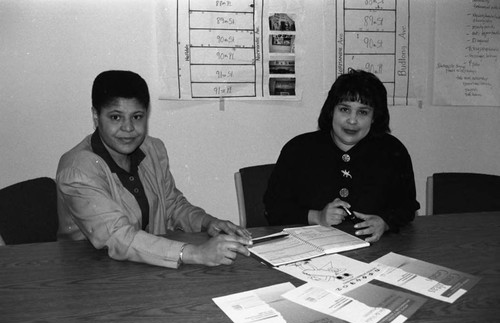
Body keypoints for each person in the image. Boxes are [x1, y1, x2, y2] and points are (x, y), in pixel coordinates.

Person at [57, 70, 252, 268]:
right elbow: (117, 236)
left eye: (137, 116)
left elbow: (171, 204)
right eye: (116, 117)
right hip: (94, 275)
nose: (128, 128)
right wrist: (195, 253)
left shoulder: (152, 149)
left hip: (147, 266)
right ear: (96, 116)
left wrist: (207, 222)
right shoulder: (76, 170)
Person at [264, 69, 420, 242]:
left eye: (363, 112)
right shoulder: (298, 149)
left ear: (374, 117)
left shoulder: (393, 151)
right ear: (332, 111)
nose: (352, 120)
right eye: (345, 109)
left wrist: (385, 222)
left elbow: (407, 206)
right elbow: (274, 209)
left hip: (375, 249)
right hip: (309, 248)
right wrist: (317, 217)